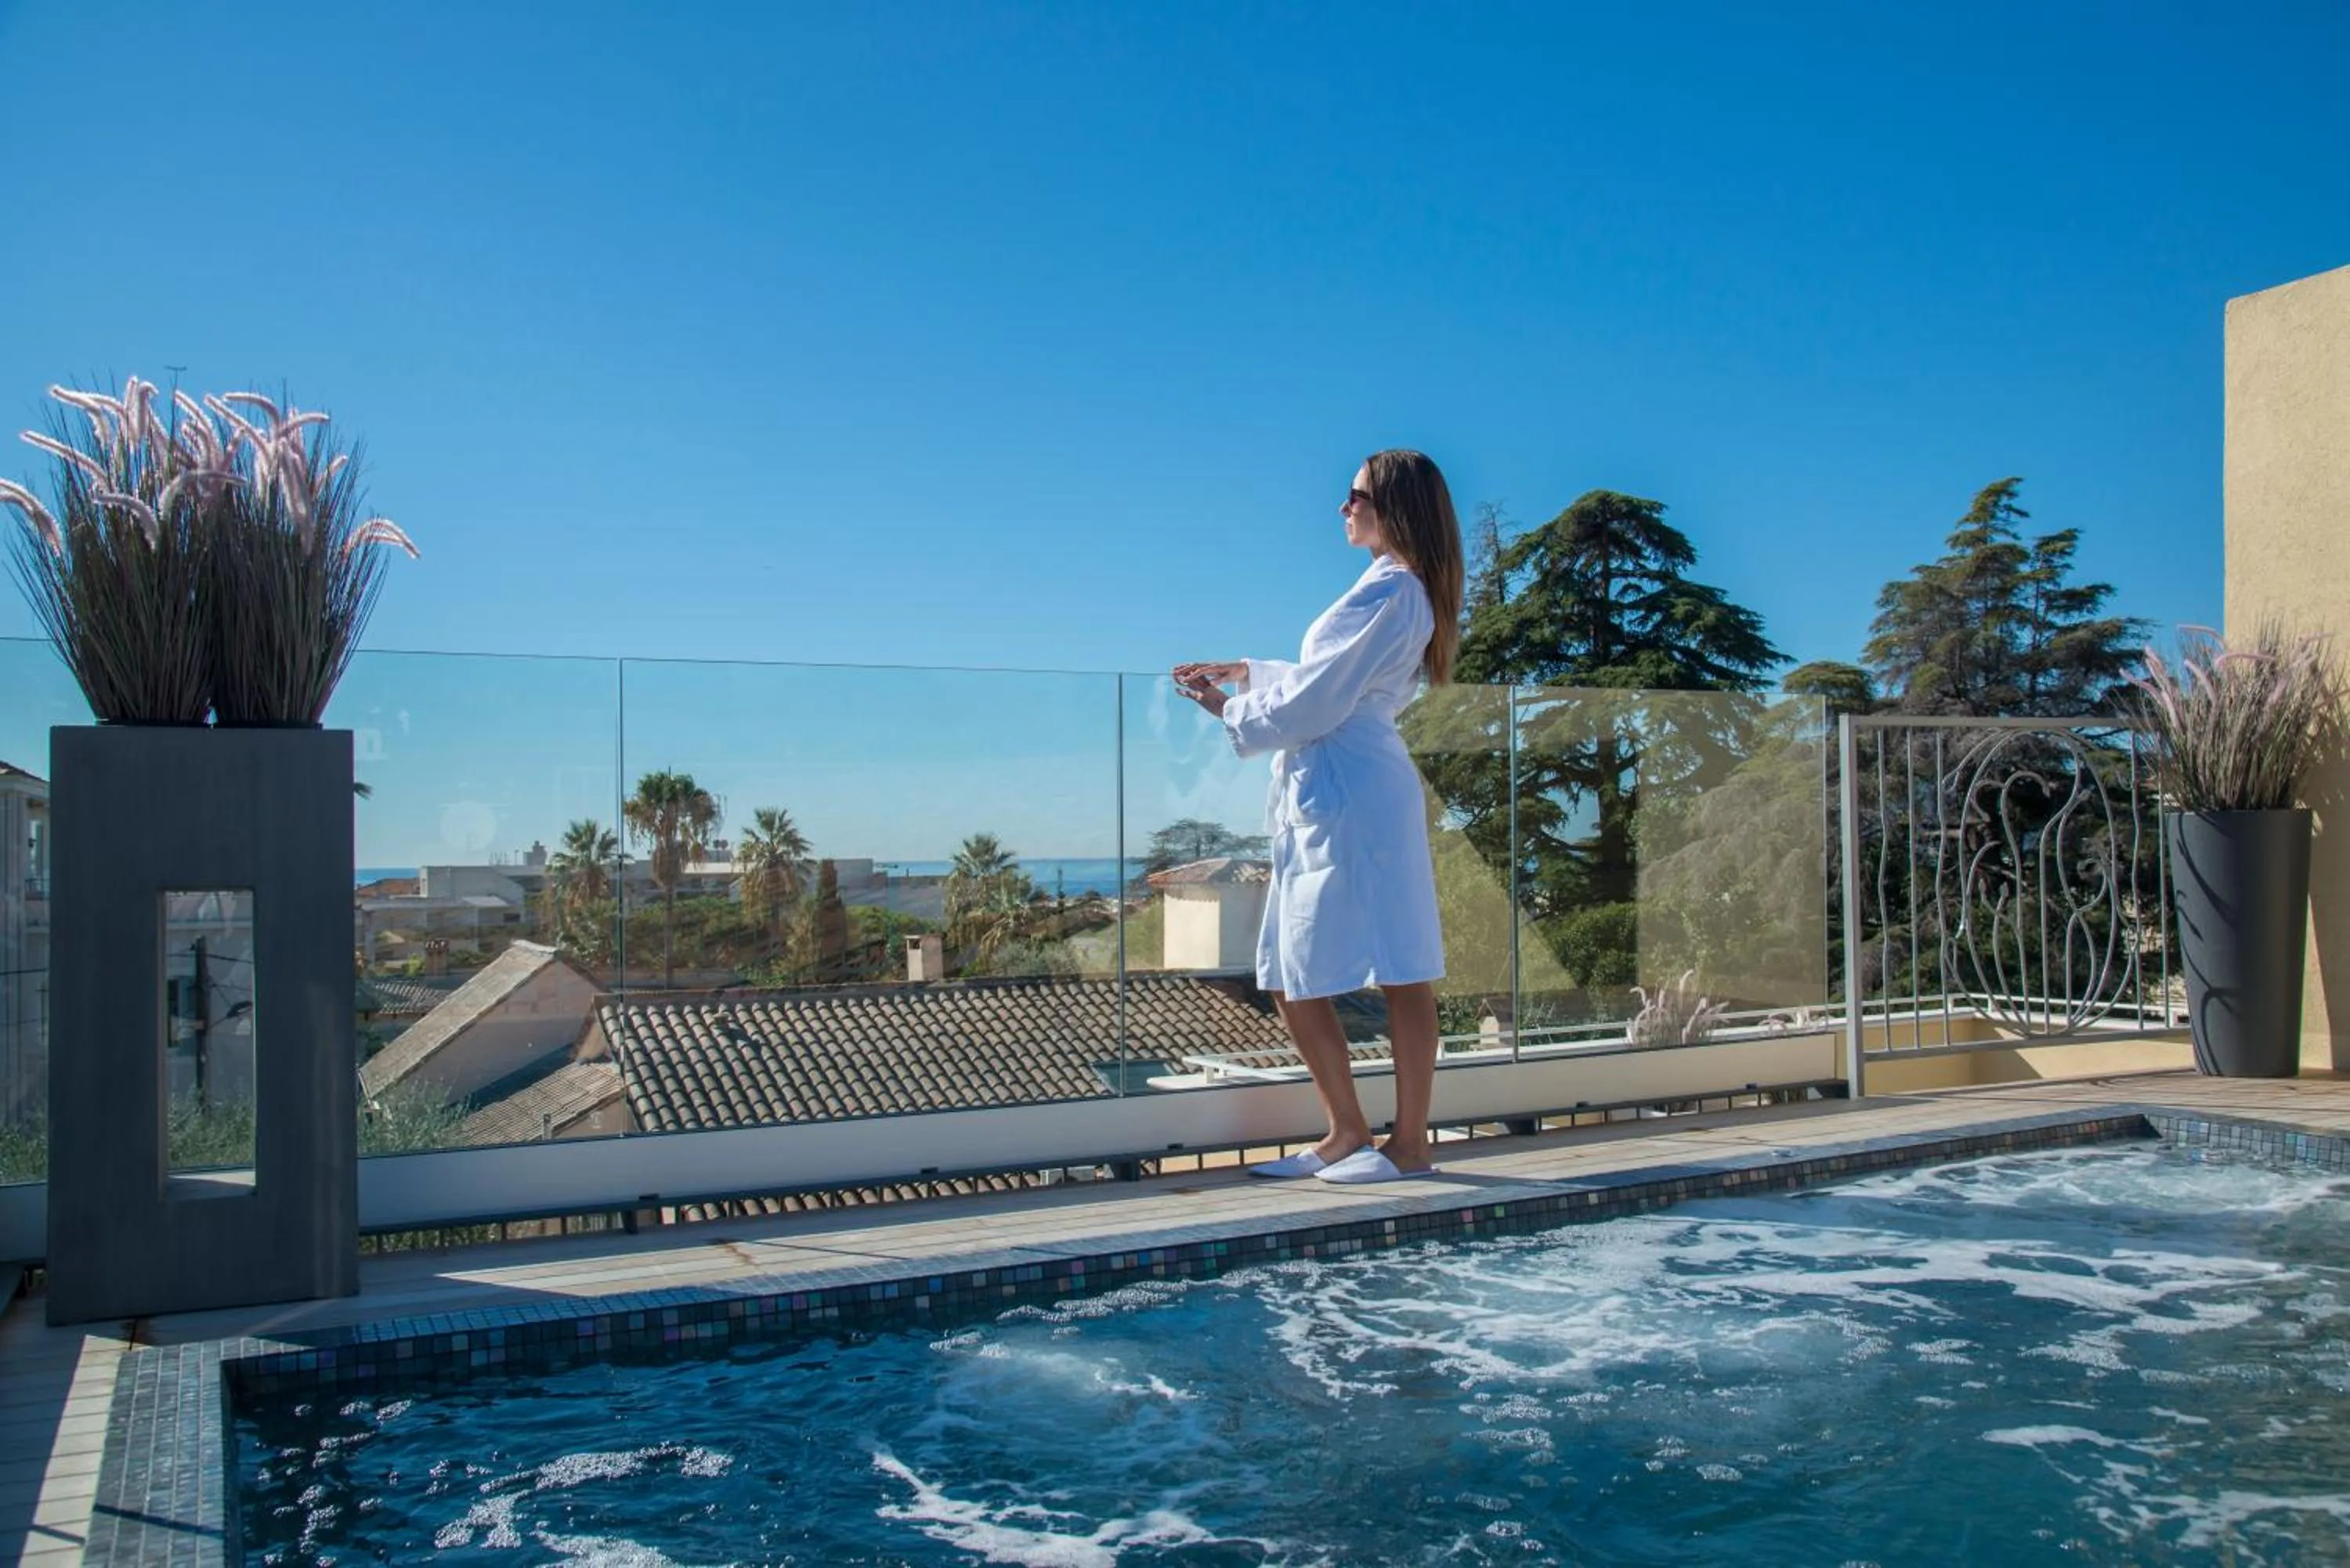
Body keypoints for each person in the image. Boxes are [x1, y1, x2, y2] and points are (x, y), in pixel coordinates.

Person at [1174, 449, 1464, 1183]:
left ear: (1394, 505)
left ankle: (1409, 1146)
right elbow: (1328, 682)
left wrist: (1226, 707)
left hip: (1354, 794)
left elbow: (1323, 701)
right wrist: (1250, 672)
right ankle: (1347, 1132)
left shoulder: (1396, 592)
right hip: (1341, 788)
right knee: (1288, 971)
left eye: (1356, 495)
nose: (1344, 507)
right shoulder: (1389, 590)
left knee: (1397, 968)